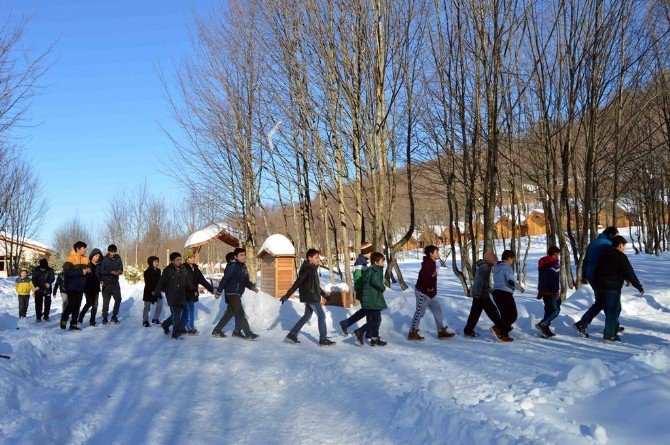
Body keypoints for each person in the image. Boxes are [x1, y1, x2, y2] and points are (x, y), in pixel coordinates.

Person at [280, 249, 335, 346]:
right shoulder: (307, 269)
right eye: (316, 257)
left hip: (312, 295)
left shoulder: (312, 268)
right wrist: (287, 295)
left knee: (307, 316)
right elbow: (298, 283)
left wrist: (324, 295)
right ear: (310, 258)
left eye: (318, 257)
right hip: (311, 297)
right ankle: (323, 339)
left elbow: (315, 285)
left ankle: (292, 334)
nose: (318, 259)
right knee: (321, 316)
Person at [593, 236, 643, 342]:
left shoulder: (604, 254)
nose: (624, 248)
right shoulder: (621, 256)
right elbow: (630, 272)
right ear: (620, 245)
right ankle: (609, 335)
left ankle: (613, 329)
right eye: (624, 246)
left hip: (600, 286)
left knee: (616, 309)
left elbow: (606, 269)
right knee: (612, 311)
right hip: (612, 287)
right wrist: (638, 286)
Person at [574, 226, 619, 337]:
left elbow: (586, 260)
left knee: (601, 302)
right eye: (616, 236)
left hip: (591, 276)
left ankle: (584, 323)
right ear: (611, 235)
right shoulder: (607, 245)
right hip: (601, 277)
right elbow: (612, 261)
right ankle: (611, 327)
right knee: (607, 301)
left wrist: (584, 275)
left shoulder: (593, 243)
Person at [408, 245, 454, 340]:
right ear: (431, 254)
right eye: (436, 252)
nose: (438, 254)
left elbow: (431, 278)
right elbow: (422, 278)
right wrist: (429, 287)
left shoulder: (432, 263)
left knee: (437, 311)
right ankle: (412, 333)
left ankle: (441, 331)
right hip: (423, 293)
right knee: (420, 312)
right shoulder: (427, 264)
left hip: (431, 294)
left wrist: (432, 289)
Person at [211, 248, 259, 339]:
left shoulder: (243, 267)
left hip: (237, 293)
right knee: (241, 314)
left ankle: (216, 330)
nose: (243, 257)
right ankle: (248, 334)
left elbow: (245, 281)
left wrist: (252, 287)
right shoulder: (232, 266)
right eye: (241, 255)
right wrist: (218, 292)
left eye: (244, 255)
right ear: (235, 256)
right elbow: (225, 279)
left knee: (229, 313)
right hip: (232, 293)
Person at [464, 251, 502, 338]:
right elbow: (479, 282)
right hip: (481, 295)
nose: (495, 260)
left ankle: (468, 331)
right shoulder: (485, 267)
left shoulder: (484, 266)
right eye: (494, 258)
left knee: (475, 313)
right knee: (493, 311)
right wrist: (479, 294)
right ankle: (500, 328)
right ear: (489, 258)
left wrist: (492, 291)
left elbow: (484, 283)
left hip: (480, 294)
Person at [155, 252, 194, 339]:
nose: (179, 261)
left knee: (175, 315)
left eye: (180, 259)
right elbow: (161, 282)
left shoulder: (183, 269)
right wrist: (157, 291)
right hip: (172, 296)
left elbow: (187, 281)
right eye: (177, 260)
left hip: (181, 296)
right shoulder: (168, 270)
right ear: (172, 261)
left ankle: (165, 324)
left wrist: (193, 289)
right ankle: (175, 333)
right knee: (176, 315)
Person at [338, 242, 373, 336]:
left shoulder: (363, 261)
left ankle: (346, 324)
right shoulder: (360, 262)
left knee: (366, 311)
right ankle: (369, 334)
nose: (371, 254)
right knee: (369, 311)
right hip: (362, 291)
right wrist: (363, 290)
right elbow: (358, 279)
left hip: (362, 291)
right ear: (367, 252)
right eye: (371, 252)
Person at [353, 252, 388, 346]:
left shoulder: (369, 269)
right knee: (376, 320)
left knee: (375, 319)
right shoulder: (377, 270)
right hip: (373, 298)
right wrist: (383, 288)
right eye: (382, 262)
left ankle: (374, 339)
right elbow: (374, 281)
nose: (383, 263)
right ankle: (360, 331)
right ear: (376, 262)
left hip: (368, 298)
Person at [491, 250, 524, 342]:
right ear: (509, 259)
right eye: (512, 259)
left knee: (505, 315)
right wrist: (519, 288)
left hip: (496, 293)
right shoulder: (506, 267)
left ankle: (500, 329)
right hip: (505, 294)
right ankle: (502, 333)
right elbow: (510, 281)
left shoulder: (497, 267)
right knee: (512, 315)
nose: (512, 261)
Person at [60, 241, 91, 331]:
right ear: (78, 249)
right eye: (84, 248)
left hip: (81, 286)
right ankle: (64, 318)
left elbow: (89, 270)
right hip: (71, 286)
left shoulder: (86, 259)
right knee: (72, 304)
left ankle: (73, 324)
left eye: (85, 248)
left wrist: (89, 270)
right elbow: (67, 272)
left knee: (77, 305)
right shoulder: (70, 258)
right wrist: (81, 272)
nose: (85, 250)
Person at [181, 251, 214, 334]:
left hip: (193, 293)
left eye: (193, 257)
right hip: (186, 293)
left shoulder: (196, 269)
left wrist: (211, 289)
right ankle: (189, 327)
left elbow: (202, 280)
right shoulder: (183, 268)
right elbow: (183, 282)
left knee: (186, 311)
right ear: (186, 259)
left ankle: (181, 327)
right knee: (190, 310)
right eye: (191, 257)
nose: (193, 258)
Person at [535, 246, 561, 338]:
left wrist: (540, 290)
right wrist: (556, 292)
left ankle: (545, 330)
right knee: (556, 310)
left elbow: (541, 278)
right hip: (551, 292)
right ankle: (543, 324)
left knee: (548, 310)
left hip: (544, 291)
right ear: (555, 254)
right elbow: (553, 280)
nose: (558, 256)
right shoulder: (554, 264)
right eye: (558, 254)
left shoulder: (543, 263)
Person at [99, 244, 124, 325]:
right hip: (106, 284)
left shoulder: (118, 258)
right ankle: (105, 317)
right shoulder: (104, 259)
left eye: (114, 251)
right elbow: (101, 271)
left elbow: (121, 267)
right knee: (106, 302)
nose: (113, 253)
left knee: (118, 299)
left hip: (115, 283)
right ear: (108, 251)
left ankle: (114, 316)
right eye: (111, 252)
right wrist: (111, 272)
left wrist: (120, 271)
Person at [79, 248, 102, 327]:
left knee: (95, 305)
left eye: (98, 256)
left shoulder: (99, 265)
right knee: (89, 303)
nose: (97, 257)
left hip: (96, 287)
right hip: (88, 287)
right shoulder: (87, 264)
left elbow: (100, 275)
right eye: (96, 256)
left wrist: (101, 280)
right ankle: (81, 316)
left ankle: (92, 321)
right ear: (92, 255)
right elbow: (82, 274)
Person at [142, 256, 163, 327]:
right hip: (148, 291)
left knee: (160, 305)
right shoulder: (147, 272)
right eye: (155, 262)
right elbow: (147, 283)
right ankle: (145, 320)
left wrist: (161, 288)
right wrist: (152, 291)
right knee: (147, 307)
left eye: (157, 261)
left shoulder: (158, 270)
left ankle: (155, 319)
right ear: (151, 262)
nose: (157, 263)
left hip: (157, 291)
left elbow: (160, 281)